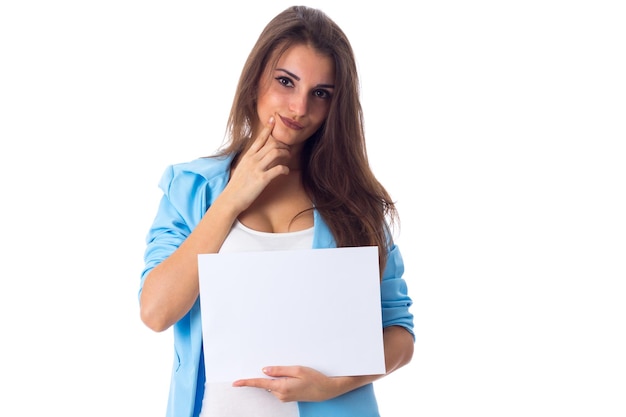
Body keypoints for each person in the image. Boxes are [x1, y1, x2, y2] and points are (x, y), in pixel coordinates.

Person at [139, 5, 414, 417]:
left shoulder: (355, 203)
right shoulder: (191, 188)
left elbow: (399, 333)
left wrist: (335, 383)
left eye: (321, 93)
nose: (299, 108)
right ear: (255, 81)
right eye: (286, 82)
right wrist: (233, 197)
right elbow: (156, 312)